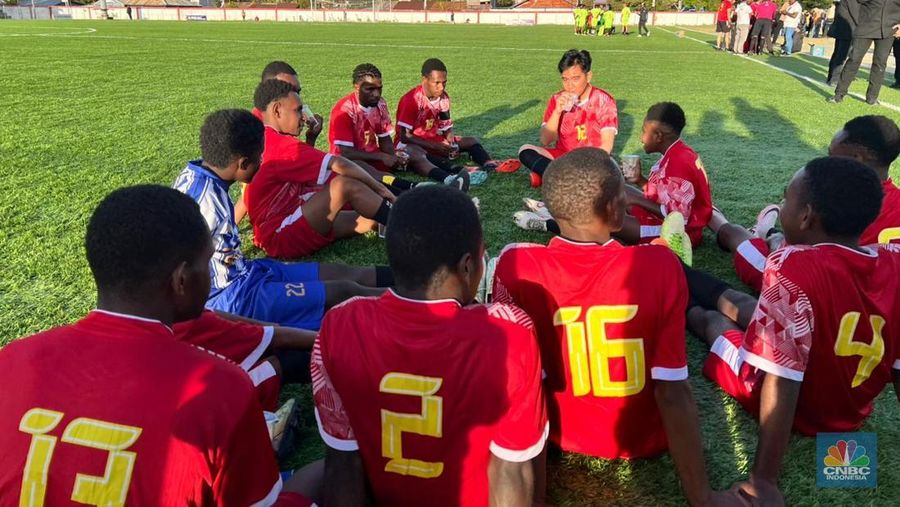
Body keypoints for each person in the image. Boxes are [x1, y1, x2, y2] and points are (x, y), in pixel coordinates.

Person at [0, 185, 317, 505]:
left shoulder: (12, 359)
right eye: (206, 262)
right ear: (181, 280)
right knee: (329, 473)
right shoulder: (219, 389)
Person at [493, 149, 736, 507]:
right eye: (623, 194)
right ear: (612, 209)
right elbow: (673, 390)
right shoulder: (657, 264)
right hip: (641, 437)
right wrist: (702, 498)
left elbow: (515, 380)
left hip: (559, 431)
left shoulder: (516, 264)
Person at [312, 185, 548, 507]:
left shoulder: (339, 324)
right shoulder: (508, 333)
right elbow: (512, 471)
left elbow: (343, 464)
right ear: (468, 266)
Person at [684, 157, 900, 505]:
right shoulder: (893, 261)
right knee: (746, 305)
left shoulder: (794, 265)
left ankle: (679, 295)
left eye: (786, 199)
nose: (783, 205)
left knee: (713, 324)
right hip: (849, 411)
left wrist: (764, 479)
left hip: (802, 411)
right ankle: (677, 271)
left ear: (806, 216)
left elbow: (782, 379)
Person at [173, 109, 390, 330]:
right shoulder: (204, 204)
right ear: (243, 163)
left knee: (344, 273)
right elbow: (175, 267)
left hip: (250, 273)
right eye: (260, 157)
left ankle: (419, 278)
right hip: (238, 299)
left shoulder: (199, 175)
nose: (262, 162)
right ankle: (417, 302)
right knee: (343, 291)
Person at [710, 115, 900, 292]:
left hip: (817, 286)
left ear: (857, 158)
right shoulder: (888, 199)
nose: (826, 160)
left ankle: (728, 220)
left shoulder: (838, 197)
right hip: (876, 298)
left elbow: (807, 258)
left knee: (732, 233)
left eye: (831, 154)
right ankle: (768, 232)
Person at [516, 102, 712, 252]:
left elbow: (679, 220)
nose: (641, 137)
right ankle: (564, 213)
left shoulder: (679, 163)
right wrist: (639, 181)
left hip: (679, 234)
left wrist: (637, 200)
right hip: (665, 216)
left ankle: (550, 223)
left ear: (659, 136)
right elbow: (666, 194)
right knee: (614, 188)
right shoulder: (677, 153)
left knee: (603, 223)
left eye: (644, 132)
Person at [247, 79, 396, 259]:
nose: (303, 117)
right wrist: (382, 189)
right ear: (277, 110)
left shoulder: (264, 136)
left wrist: (310, 140)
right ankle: (411, 225)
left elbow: (301, 170)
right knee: (344, 185)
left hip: (287, 218)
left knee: (368, 216)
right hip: (280, 233)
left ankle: (407, 218)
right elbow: (339, 163)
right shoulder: (281, 144)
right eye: (298, 110)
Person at [329, 63, 471, 190]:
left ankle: (449, 178)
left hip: (374, 157)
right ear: (357, 88)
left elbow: (384, 138)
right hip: (349, 161)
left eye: (379, 88)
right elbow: (345, 152)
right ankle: (414, 188)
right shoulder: (344, 110)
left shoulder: (380, 104)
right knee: (368, 171)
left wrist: (394, 155)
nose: (376, 94)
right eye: (370, 89)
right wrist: (381, 156)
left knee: (412, 152)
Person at [235, 60, 324, 225]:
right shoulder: (257, 129)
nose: (296, 96)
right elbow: (249, 190)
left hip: (285, 192)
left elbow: (295, 164)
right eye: (289, 90)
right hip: (271, 210)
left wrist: (310, 138)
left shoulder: (283, 117)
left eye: (297, 91)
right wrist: (227, 228)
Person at [516, 49, 618, 188]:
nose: (569, 85)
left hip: (591, 160)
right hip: (563, 157)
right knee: (525, 150)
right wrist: (557, 111)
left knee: (608, 171)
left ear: (588, 76)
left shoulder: (603, 100)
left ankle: (551, 177)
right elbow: (546, 140)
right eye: (565, 79)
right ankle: (567, 180)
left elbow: (606, 145)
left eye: (576, 79)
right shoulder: (557, 99)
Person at [395, 58, 499, 179]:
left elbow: (446, 128)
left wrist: (451, 145)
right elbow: (404, 136)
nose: (441, 87)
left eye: (444, 82)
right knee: (418, 153)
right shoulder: (411, 100)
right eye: (437, 83)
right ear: (424, 79)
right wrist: (434, 146)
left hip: (433, 141)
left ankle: (488, 163)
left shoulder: (443, 98)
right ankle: (458, 170)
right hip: (411, 144)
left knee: (471, 141)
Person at [829, 0, 900, 104]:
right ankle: (839, 94)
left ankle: (872, 98)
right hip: (866, 27)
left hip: (889, 30)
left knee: (880, 64)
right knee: (854, 59)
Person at [826, 0, 860, 85]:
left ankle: (831, 77)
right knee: (841, 55)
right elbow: (855, 13)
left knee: (837, 53)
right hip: (847, 30)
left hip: (843, 29)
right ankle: (834, 79)